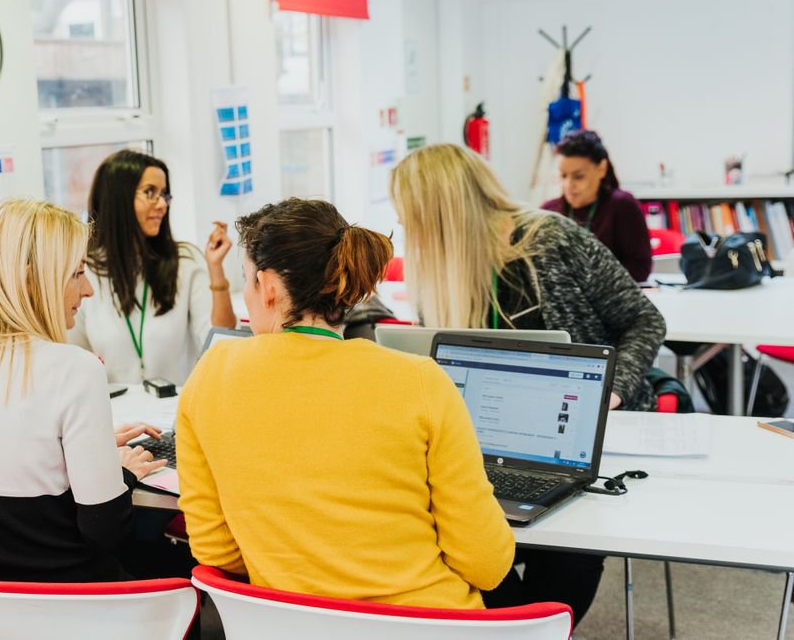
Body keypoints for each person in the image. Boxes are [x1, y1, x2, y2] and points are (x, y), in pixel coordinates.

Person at [176, 197, 514, 609]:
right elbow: (487, 563)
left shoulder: (211, 374)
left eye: (245, 279)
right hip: (428, 625)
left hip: (288, 627)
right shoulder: (419, 381)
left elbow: (216, 550)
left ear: (267, 288)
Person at [390, 143, 666, 622]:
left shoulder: (552, 238)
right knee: (428, 527)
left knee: (565, 547)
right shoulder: (440, 271)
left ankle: (531, 624)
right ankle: (519, 625)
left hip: (578, 435)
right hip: (483, 441)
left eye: (411, 215)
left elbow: (644, 321)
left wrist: (611, 390)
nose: (408, 230)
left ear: (440, 211)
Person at [0, 198, 170, 583]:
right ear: (31, 281)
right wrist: (121, 472)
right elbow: (106, 533)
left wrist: (86, 448)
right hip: (72, 603)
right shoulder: (74, 369)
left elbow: (12, 461)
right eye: (77, 274)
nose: (87, 290)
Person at [68, 149, 237, 384]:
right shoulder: (85, 271)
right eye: (150, 193)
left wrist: (216, 270)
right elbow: (74, 359)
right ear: (119, 198)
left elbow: (221, 339)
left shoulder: (185, 261)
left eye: (164, 195)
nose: (162, 205)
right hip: (119, 416)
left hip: (175, 411)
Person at [541, 130, 652, 282]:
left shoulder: (623, 206)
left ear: (601, 169)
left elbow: (640, 268)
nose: (568, 185)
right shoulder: (548, 211)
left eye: (578, 176)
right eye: (563, 176)